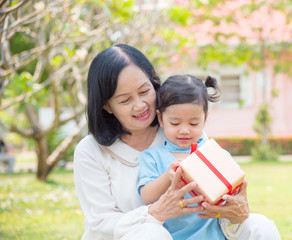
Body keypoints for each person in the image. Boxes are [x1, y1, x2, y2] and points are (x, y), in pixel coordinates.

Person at [73, 43, 281, 240]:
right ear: (107, 106)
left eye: (145, 91)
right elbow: (101, 222)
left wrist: (234, 210)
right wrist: (155, 213)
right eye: (125, 100)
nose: (139, 105)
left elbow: (218, 194)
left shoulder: (180, 132)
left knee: (260, 226)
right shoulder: (90, 151)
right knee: (152, 235)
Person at [138, 74, 231, 239]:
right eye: (175, 123)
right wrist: (168, 175)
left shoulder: (211, 152)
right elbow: (146, 196)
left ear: (205, 120)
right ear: (160, 118)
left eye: (194, 123)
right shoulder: (153, 156)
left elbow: (234, 185)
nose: (184, 130)